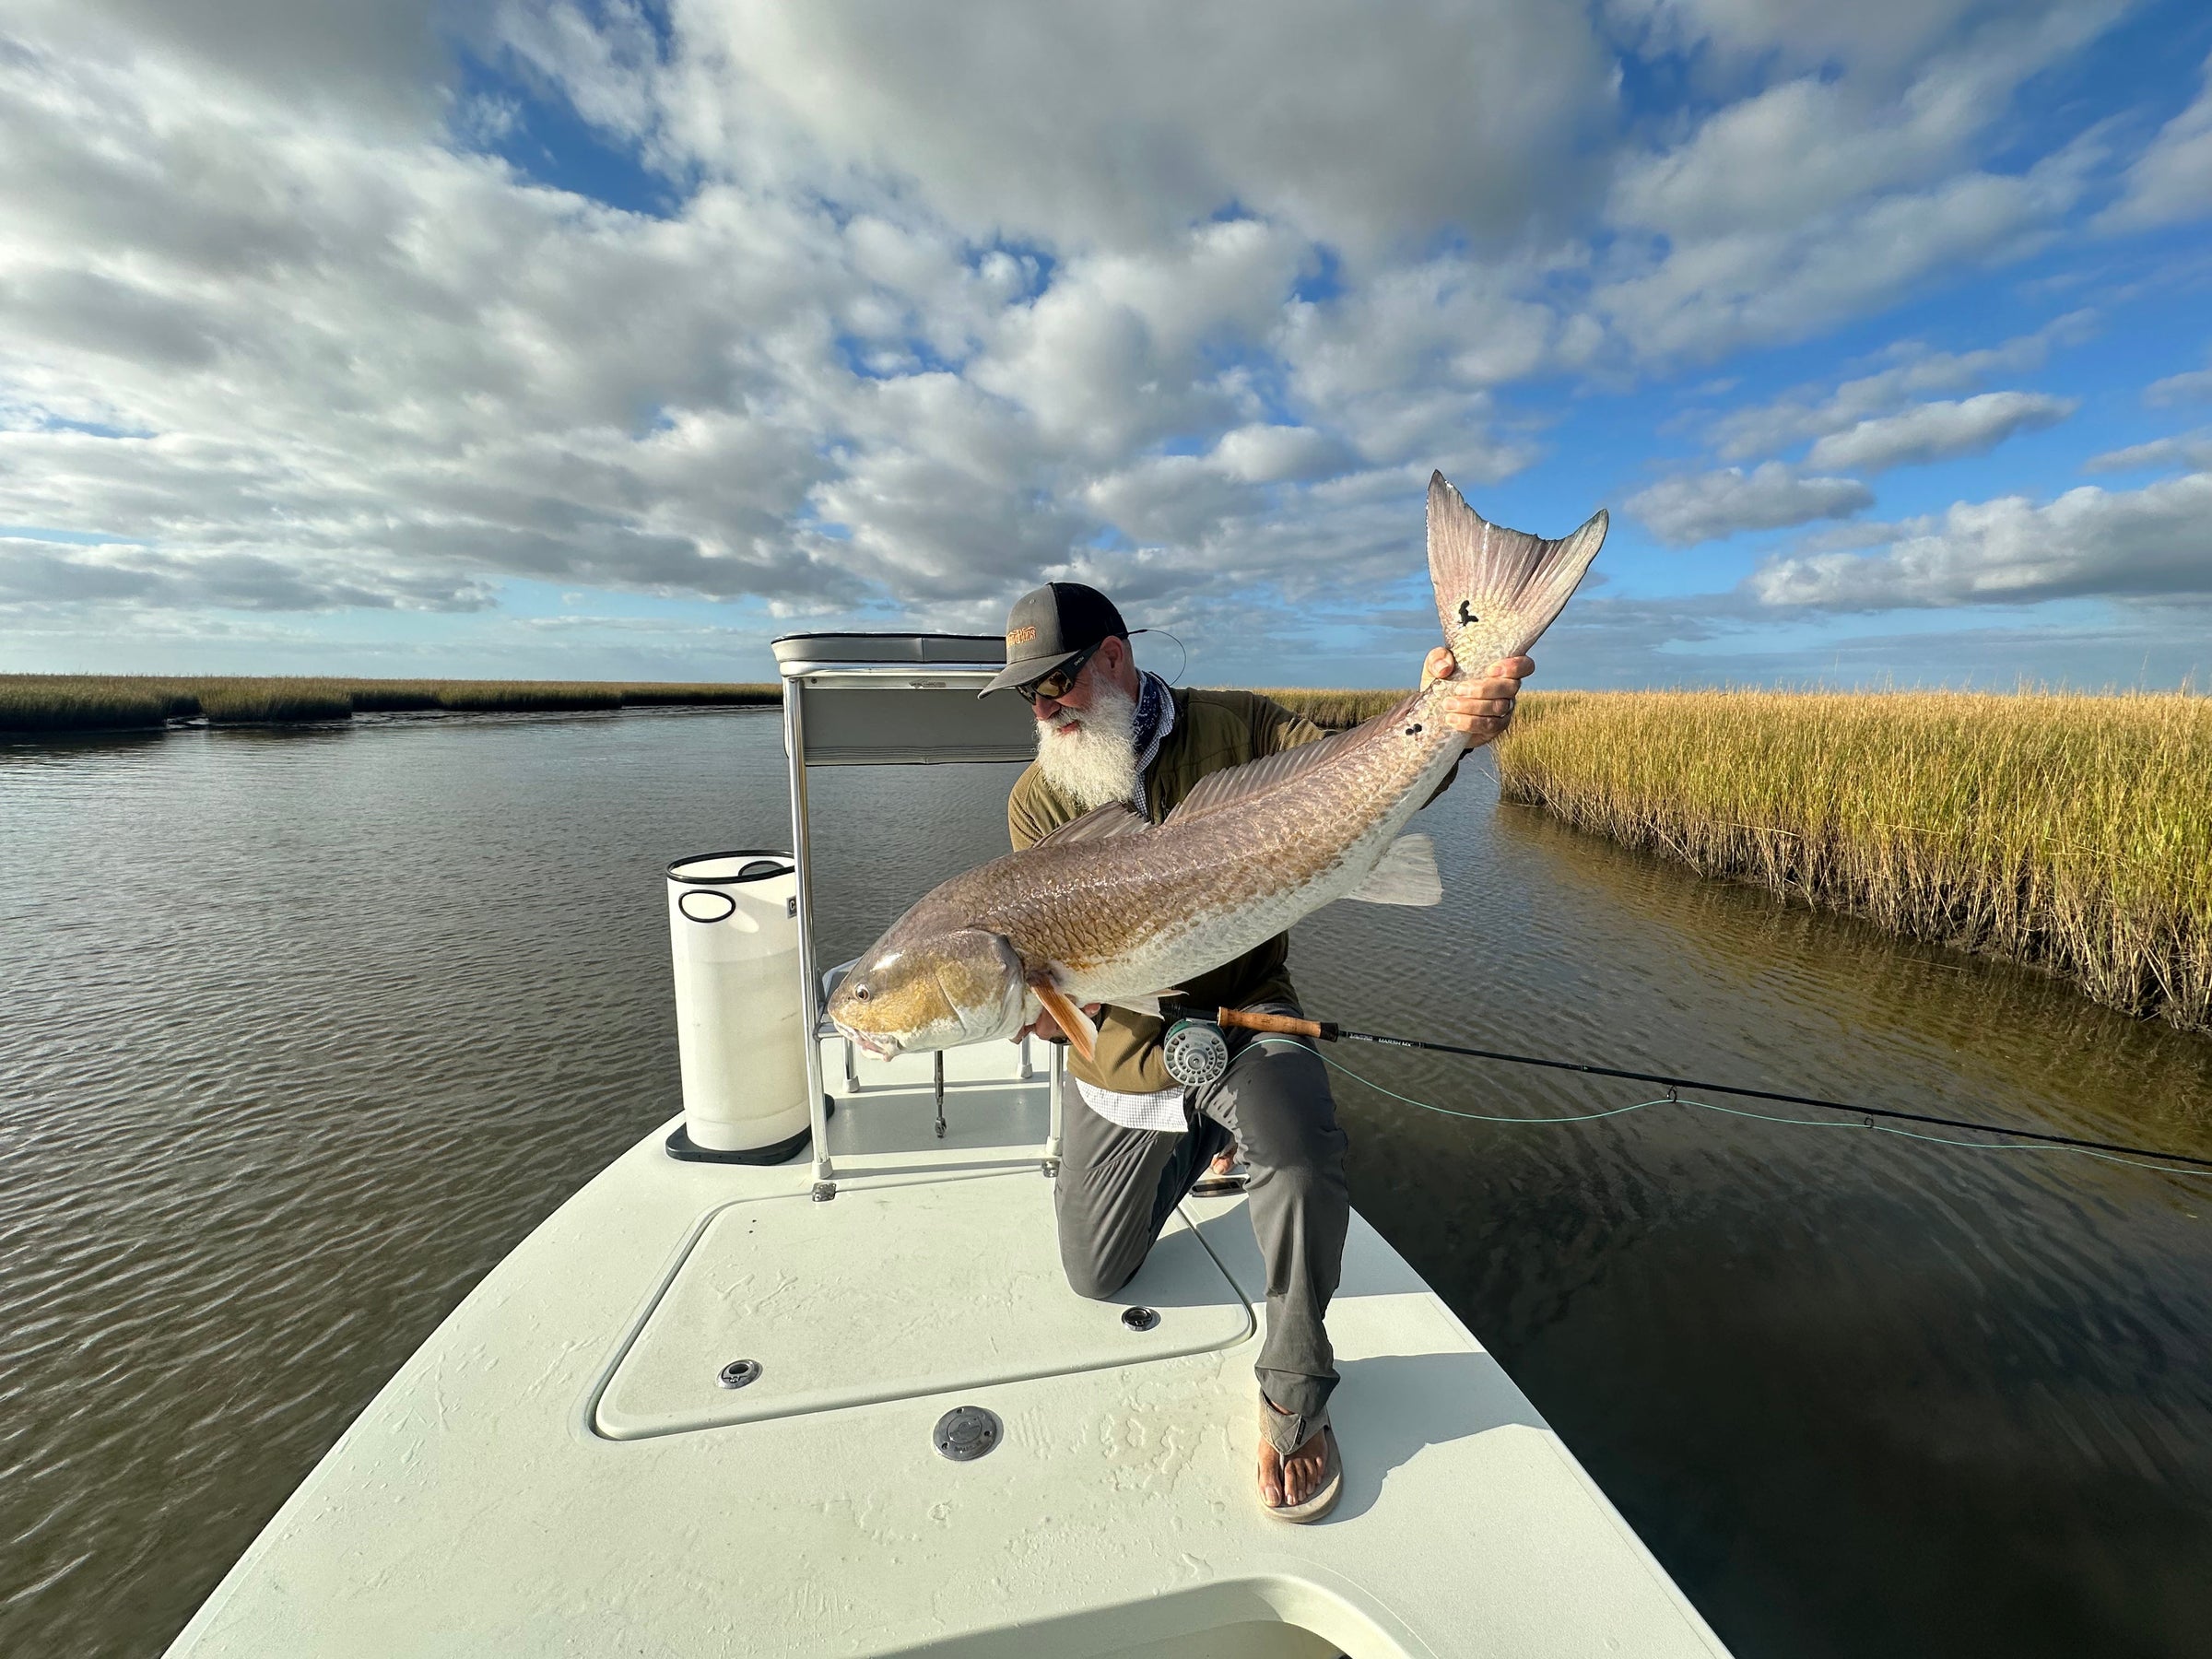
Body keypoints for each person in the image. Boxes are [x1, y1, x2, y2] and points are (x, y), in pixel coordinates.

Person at [983, 581, 1531, 1521]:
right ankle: (1202, 1140)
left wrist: (1453, 722)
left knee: (1307, 1161)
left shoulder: (1239, 725)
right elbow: (1059, 989)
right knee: (1095, 1274)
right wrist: (1036, 1004)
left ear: (1114, 658)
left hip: (1248, 1014)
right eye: (1029, 696)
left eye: (1058, 683)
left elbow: (1364, 768)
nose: (1044, 711)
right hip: (1123, 1049)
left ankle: (1295, 1392)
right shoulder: (1037, 802)